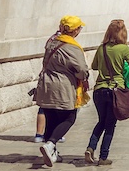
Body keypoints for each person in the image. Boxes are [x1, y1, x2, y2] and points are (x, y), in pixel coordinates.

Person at [33, 15, 89, 168]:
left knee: (51, 117)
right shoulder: (72, 47)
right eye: (79, 28)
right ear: (75, 30)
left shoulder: (51, 42)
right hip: (62, 87)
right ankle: (50, 144)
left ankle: (53, 152)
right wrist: (83, 77)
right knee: (69, 117)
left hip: (46, 84)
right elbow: (82, 69)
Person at [85, 19, 129, 167]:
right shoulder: (123, 49)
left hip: (99, 91)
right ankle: (103, 157)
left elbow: (94, 66)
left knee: (101, 121)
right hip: (115, 92)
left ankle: (91, 147)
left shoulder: (101, 47)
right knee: (110, 125)